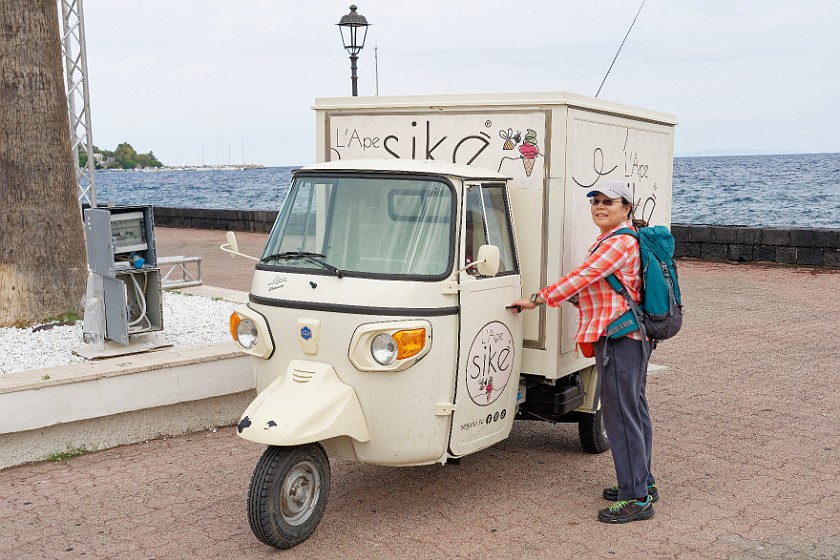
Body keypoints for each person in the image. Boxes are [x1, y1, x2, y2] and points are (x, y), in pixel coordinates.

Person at [508, 181, 657, 524]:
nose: (600, 206)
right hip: (629, 337)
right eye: (596, 201)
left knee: (621, 417)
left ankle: (636, 497)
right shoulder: (617, 240)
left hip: (621, 339)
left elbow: (582, 276)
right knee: (634, 410)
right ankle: (642, 483)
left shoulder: (619, 242)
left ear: (626, 208)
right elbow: (595, 287)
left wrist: (537, 299)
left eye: (609, 202)